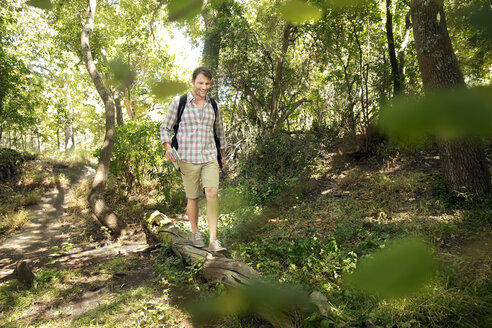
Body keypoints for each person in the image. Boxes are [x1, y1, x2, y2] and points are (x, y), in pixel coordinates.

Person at [160, 67, 227, 251]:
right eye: (200, 83)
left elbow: (219, 132)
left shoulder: (214, 105)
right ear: (193, 81)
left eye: (207, 84)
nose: (204, 87)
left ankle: (213, 240)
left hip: (209, 157)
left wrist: (222, 155)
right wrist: (167, 147)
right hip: (187, 158)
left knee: (212, 193)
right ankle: (195, 232)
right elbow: (165, 127)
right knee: (193, 198)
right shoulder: (179, 102)